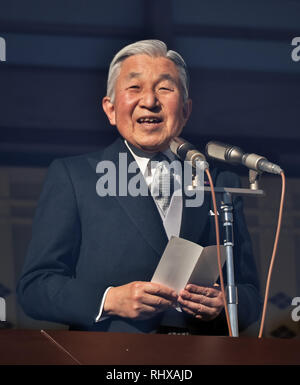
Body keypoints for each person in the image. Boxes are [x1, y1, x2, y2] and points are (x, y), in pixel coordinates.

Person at [17, 40, 261, 335]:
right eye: (134, 88)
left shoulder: (220, 183)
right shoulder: (74, 177)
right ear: (110, 109)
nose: (150, 101)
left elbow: (250, 293)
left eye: (164, 88)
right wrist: (108, 300)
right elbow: (35, 288)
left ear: (185, 111)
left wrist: (225, 304)